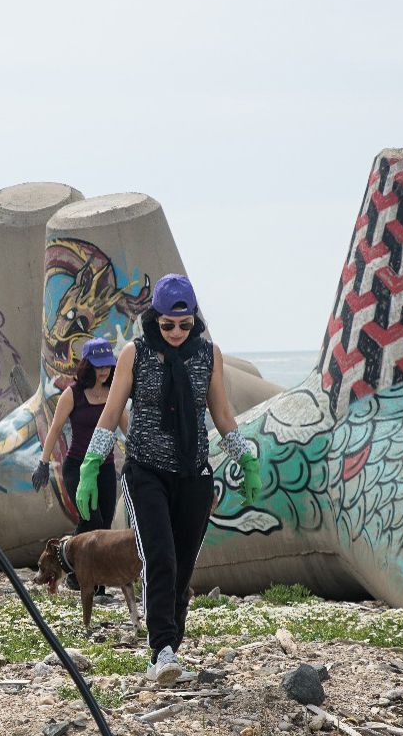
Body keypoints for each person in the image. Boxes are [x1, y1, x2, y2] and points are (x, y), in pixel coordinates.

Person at [75, 275, 262, 684]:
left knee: (182, 566)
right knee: (159, 557)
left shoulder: (209, 355)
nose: (176, 332)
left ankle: (170, 649)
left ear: (194, 319)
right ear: (155, 319)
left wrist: (246, 458)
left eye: (184, 324)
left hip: (194, 474)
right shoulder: (135, 353)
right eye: (167, 325)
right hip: (146, 471)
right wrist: (91, 463)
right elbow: (112, 411)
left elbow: (221, 414)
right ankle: (160, 649)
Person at [33, 337, 128, 594]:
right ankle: (71, 567)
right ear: (87, 365)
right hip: (76, 467)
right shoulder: (72, 394)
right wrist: (43, 463)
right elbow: (54, 429)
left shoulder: (113, 394)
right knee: (91, 518)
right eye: (99, 366)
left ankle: (95, 585)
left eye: (108, 365)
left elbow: (127, 429)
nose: (104, 371)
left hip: (105, 468)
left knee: (104, 527)